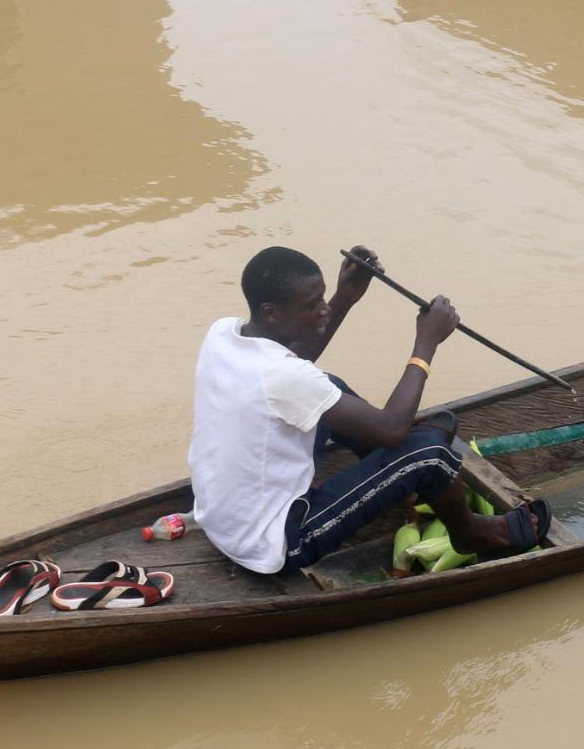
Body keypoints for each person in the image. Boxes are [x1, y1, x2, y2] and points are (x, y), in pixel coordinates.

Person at [189, 244, 547, 575]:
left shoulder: (223, 333)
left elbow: (299, 361)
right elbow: (390, 429)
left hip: (222, 519)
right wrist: (427, 341)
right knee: (431, 453)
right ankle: (469, 532)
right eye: (312, 305)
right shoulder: (282, 376)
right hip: (273, 542)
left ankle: (401, 480)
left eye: (323, 298)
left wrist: (346, 296)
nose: (323, 309)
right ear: (270, 312)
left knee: (330, 386)